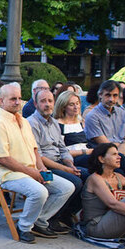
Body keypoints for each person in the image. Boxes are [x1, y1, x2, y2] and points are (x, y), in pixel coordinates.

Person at [0, 83, 76, 243]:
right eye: (13, 99)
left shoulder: (23, 121)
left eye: (19, 98)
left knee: (67, 187)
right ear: (1, 100)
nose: (17, 102)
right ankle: (24, 226)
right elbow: (2, 159)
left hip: (31, 171)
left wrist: (40, 168)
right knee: (39, 192)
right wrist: (33, 173)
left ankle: (39, 220)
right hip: (10, 175)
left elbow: (35, 149)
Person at [27, 88, 85, 230]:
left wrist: (70, 163)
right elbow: (39, 156)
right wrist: (65, 169)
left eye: (50, 101)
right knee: (76, 182)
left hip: (60, 161)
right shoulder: (32, 123)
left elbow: (63, 148)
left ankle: (66, 213)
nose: (47, 104)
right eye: (43, 101)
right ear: (35, 104)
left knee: (90, 177)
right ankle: (52, 217)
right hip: (45, 166)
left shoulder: (53, 122)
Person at [55, 89, 93, 167]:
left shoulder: (82, 122)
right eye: (71, 104)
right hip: (73, 158)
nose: (76, 107)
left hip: (88, 153)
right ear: (63, 107)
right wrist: (84, 152)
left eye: (77, 103)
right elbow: (60, 151)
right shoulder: (58, 125)